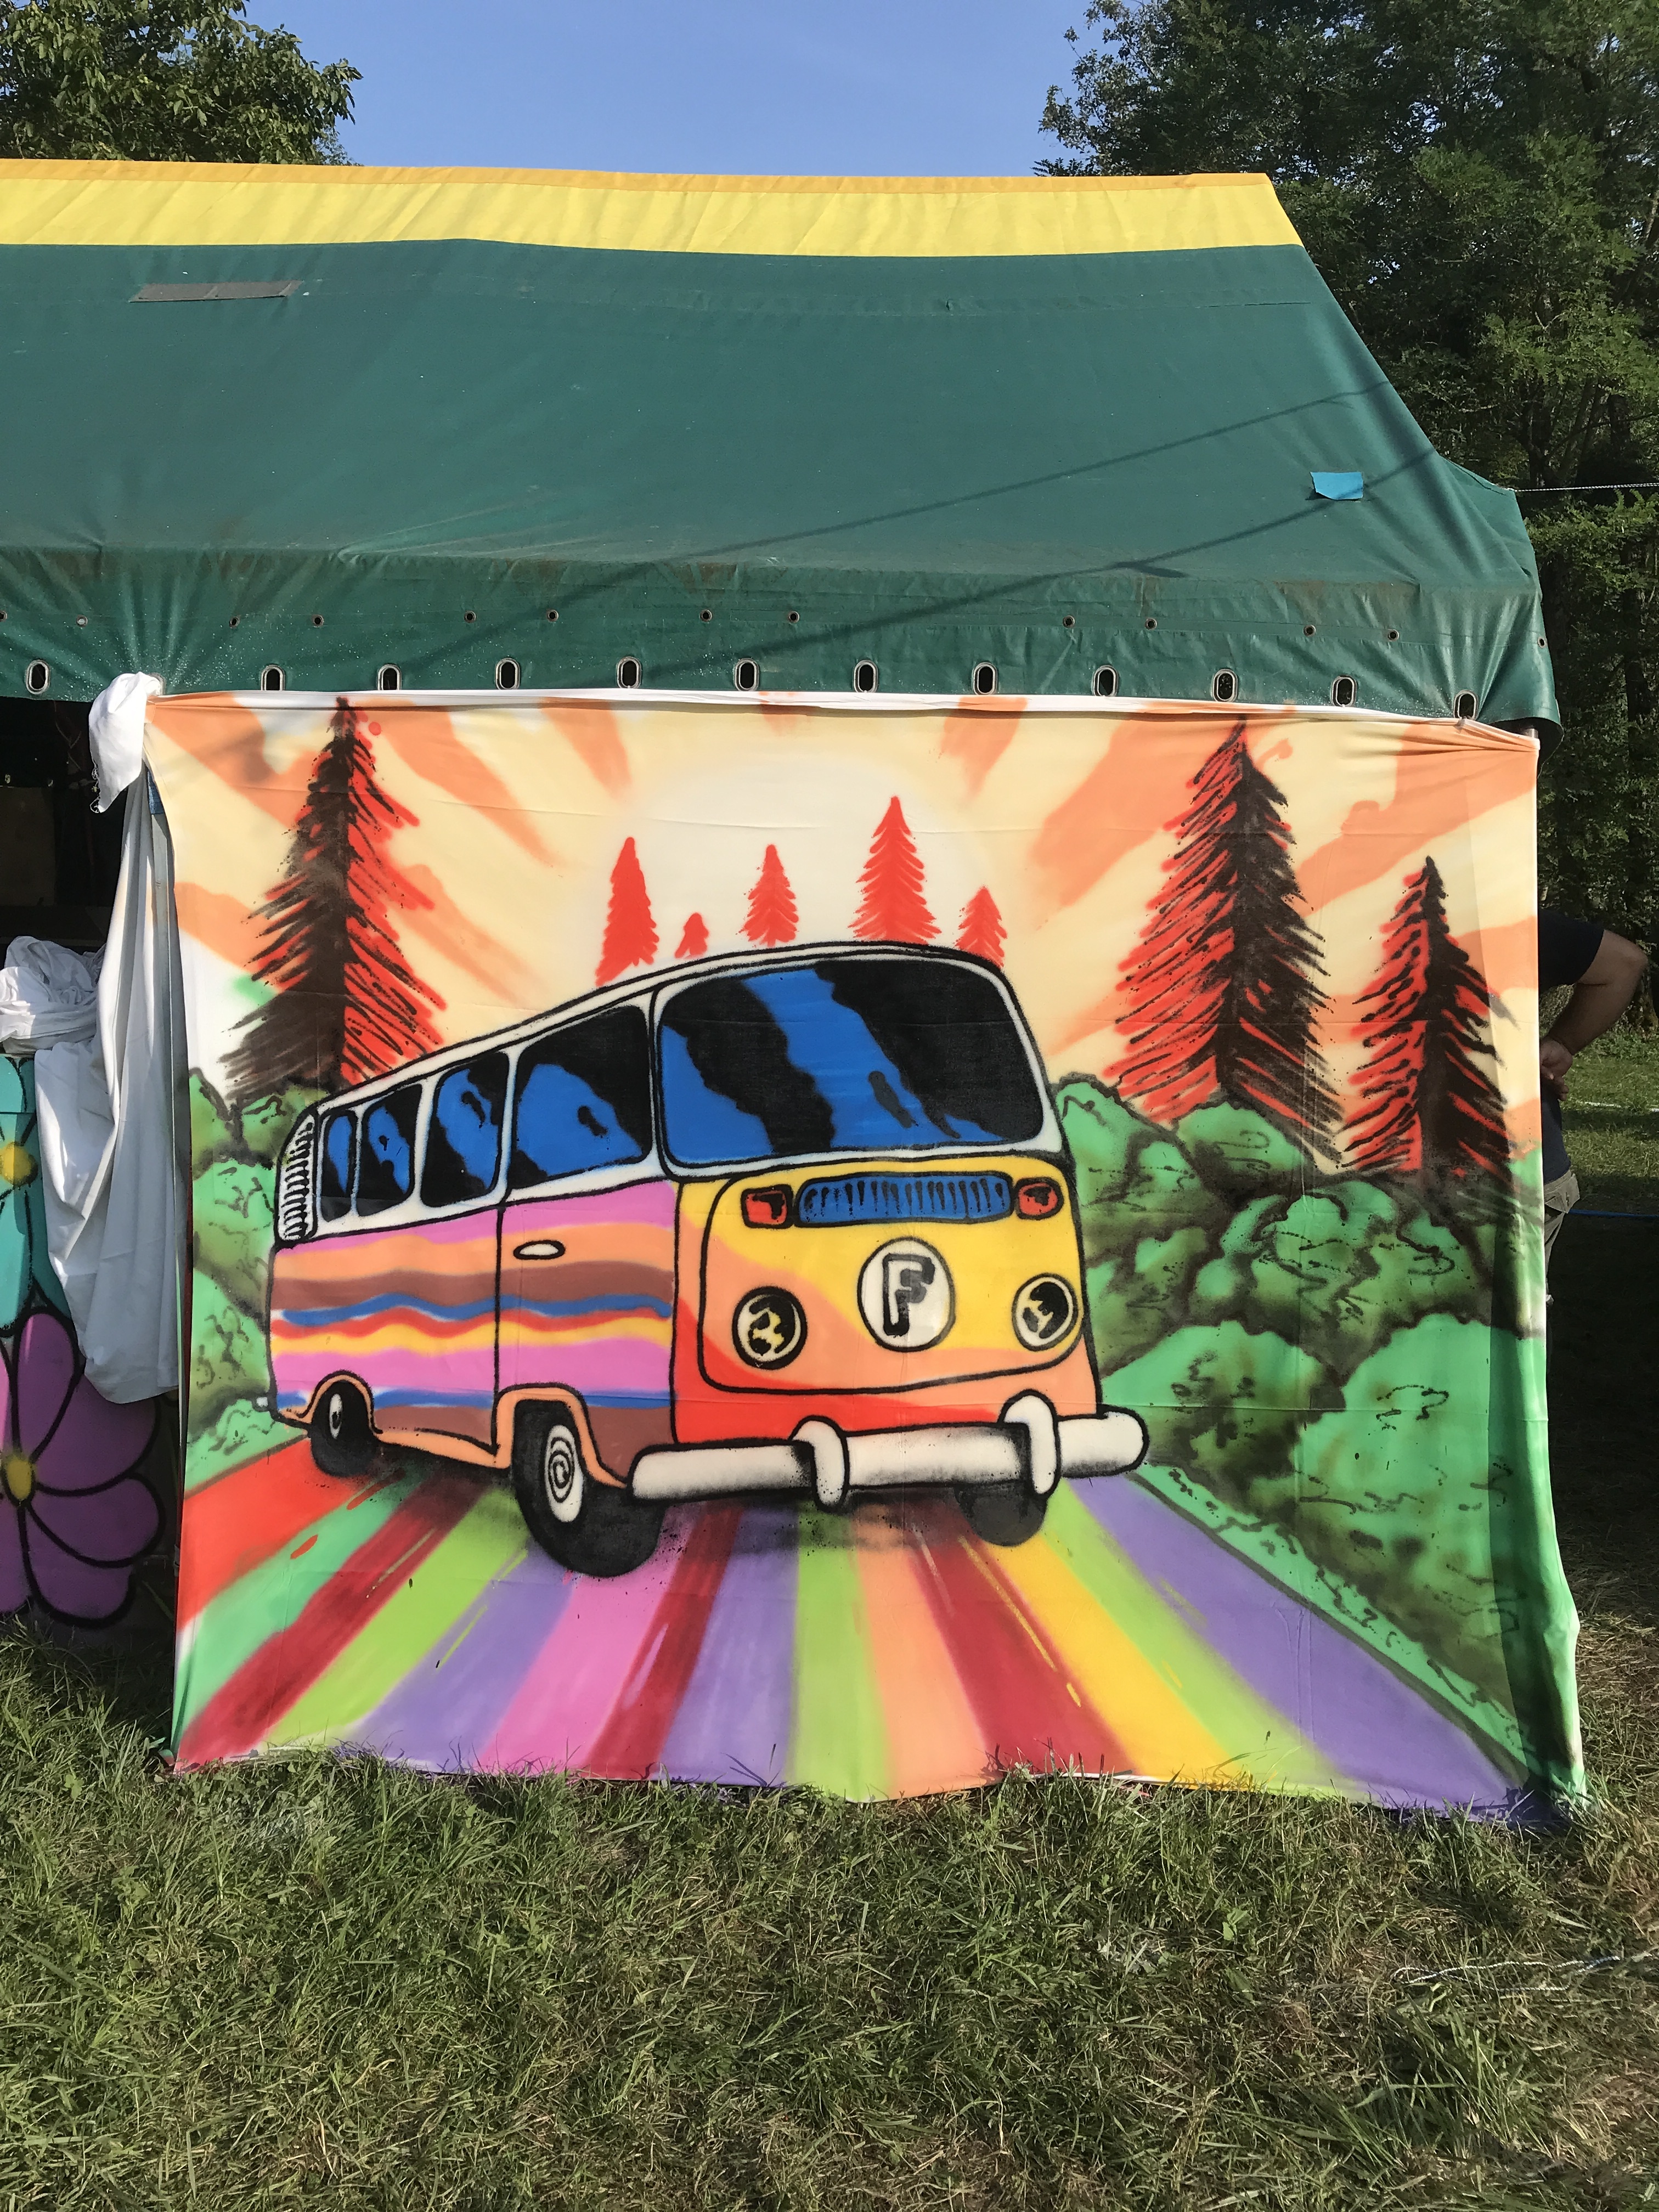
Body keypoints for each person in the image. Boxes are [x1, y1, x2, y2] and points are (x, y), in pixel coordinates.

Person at [1537, 911, 1649, 1264]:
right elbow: (1623, 962)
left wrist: (1562, 1043)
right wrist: (1562, 1044)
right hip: (1520, 1164)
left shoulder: (1500, 917)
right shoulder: (1496, 914)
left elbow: (1624, 963)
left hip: (1514, 1167)